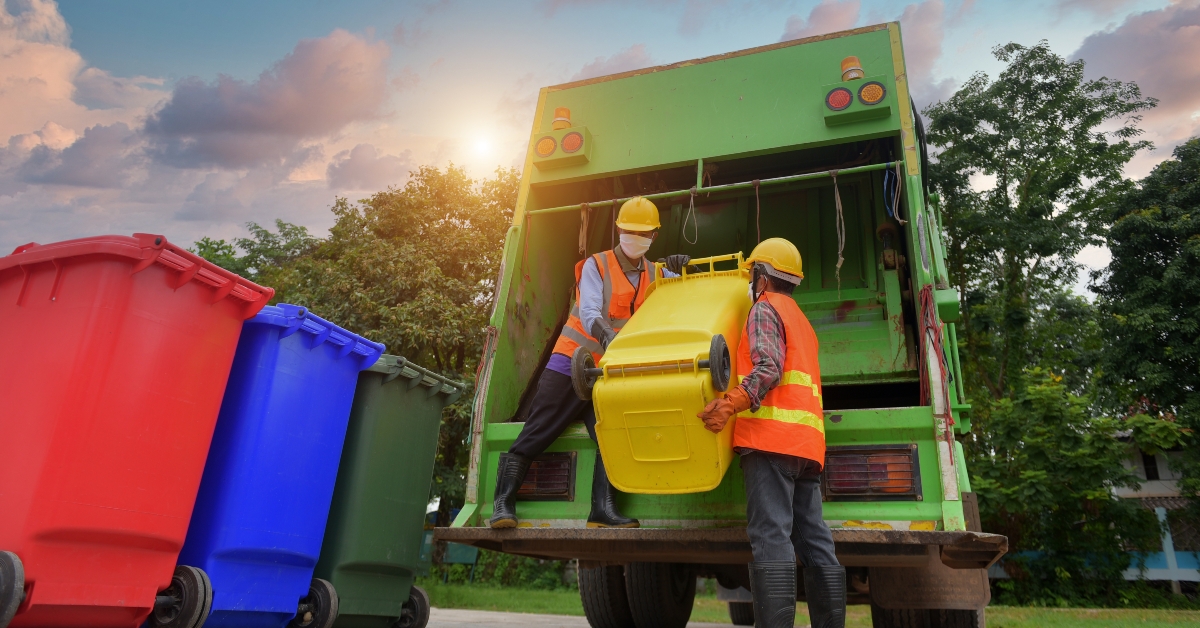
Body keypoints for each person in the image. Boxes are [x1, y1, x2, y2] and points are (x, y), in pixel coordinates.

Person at [489, 196, 690, 529]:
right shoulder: (597, 265)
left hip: (608, 373)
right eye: (627, 230)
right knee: (539, 431)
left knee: (613, 439)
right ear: (618, 229)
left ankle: (602, 511)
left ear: (654, 236)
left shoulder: (657, 274)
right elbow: (590, 311)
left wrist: (684, 269)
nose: (633, 237)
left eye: (642, 233)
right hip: (571, 363)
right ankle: (502, 504)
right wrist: (607, 336)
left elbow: (687, 292)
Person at [697, 238, 845, 628]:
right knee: (814, 539)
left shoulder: (764, 309)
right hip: (806, 447)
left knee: (771, 537)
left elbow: (769, 367)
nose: (750, 282)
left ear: (762, 277)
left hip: (770, 441)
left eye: (752, 275)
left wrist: (730, 402)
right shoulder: (803, 321)